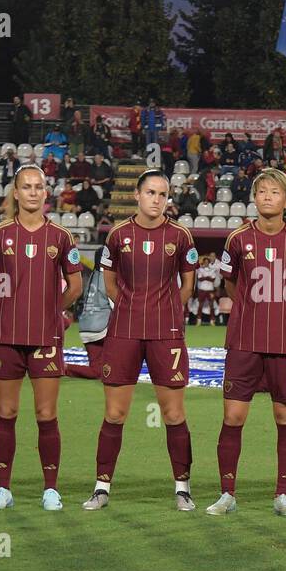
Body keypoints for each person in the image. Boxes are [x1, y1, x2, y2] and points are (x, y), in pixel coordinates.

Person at [0, 166, 84, 511]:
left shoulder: (62, 237)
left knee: (46, 414)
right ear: (15, 193)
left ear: (45, 194)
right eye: (26, 187)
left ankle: (50, 489)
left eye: (39, 187)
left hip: (46, 338)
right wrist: (5, 311)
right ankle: (3, 488)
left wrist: (52, 312)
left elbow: (75, 286)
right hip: (6, 337)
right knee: (6, 411)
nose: (33, 192)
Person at [82, 171, 198, 511]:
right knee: (115, 413)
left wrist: (167, 313)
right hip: (124, 332)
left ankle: (182, 488)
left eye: (163, 194)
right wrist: (133, 310)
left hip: (167, 334)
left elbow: (187, 287)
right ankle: (101, 487)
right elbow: (110, 284)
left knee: (174, 413)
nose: (157, 199)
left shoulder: (180, 235)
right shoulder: (119, 235)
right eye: (150, 192)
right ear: (137, 195)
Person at [207, 168, 286, 516]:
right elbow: (231, 286)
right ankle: (227, 493)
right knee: (234, 417)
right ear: (254, 199)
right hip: (244, 341)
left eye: (275, 192)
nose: (267, 197)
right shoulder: (237, 240)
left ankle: (282, 494)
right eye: (261, 191)